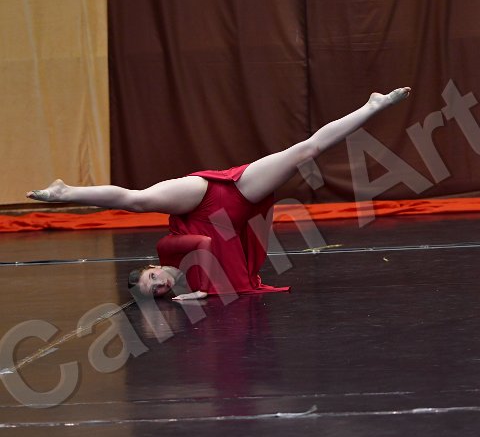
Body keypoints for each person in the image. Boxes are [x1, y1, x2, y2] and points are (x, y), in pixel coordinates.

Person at [27, 88, 411, 300]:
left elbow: (204, 244)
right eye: (156, 291)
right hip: (240, 202)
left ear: (151, 266)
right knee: (304, 153)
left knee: (138, 200)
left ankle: (66, 191)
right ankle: (372, 107)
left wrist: (203, 293)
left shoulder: (168, 250)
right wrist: (201, 292)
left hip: (201, 200)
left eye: (152, 278)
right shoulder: (186, 288)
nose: (159, 285)